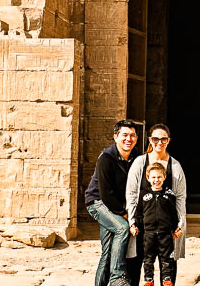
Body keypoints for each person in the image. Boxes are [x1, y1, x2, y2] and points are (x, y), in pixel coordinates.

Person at [126, 124, 187, 286]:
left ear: (168, 140)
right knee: (140, 262)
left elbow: (180, 197)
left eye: (163, 139)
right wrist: (132, 220)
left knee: (168, 263)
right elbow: (131, 194)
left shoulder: (175, 166)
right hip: (144, 226)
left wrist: (180, 223)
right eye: (155, 139)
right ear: (150, 140)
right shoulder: (140, 162)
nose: (159, 142)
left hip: (166, 227)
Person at [84, 119, 142, 286]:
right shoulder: (106, 157)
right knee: (122, 228)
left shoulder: (136, 158)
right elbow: (106, 194)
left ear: (137, 138)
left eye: (132, 135)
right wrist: (124, 214)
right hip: (98, 202)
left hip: (115, 205)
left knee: (107, 251)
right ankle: (117, 277)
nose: (128, 139)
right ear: (115, 137)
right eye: (124, 135)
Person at [131, 162, 184, 286]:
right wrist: (135, 225)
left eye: (159, 177)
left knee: (166, 258)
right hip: (148, 233)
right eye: (153, 177)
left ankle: (166, 279)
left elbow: (173, 214)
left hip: (165, 234)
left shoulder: (169, 195)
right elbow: (139, 212)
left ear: (164, 177)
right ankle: (149, 279)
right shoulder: (144, 194)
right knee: (148, 258)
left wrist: (176, 227)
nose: (156, 180)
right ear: (148, 178)